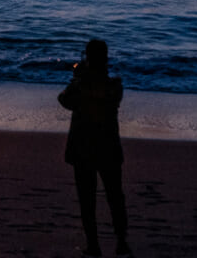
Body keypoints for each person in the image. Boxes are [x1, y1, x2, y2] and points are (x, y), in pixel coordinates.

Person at [59, 39, 130, 257]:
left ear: (88, 58)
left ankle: (94, 245)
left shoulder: (82, 86)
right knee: (115, 197)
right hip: (108, 148)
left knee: (87, 200)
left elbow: (64, 100)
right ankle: (121, 243)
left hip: (84, 149)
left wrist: (78, 78)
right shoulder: (114, 86)